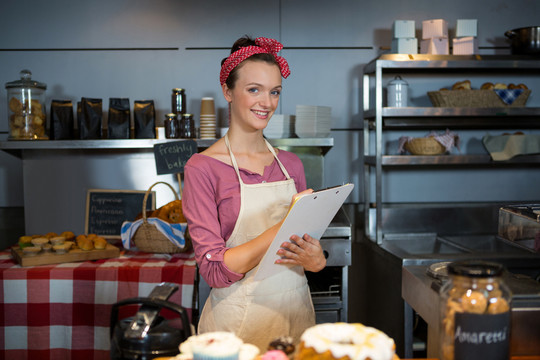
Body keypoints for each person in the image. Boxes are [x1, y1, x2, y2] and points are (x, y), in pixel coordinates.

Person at [182, 35, 327, 351]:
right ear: (227, 92)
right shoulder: (202, 168)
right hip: (237, 330)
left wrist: (316, 260)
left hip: (296, 319)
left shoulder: (291, 165)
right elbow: (215, 272)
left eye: (274, 92)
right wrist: (281, 229)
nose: (267, 102)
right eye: (253, 90)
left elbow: (306, 248)